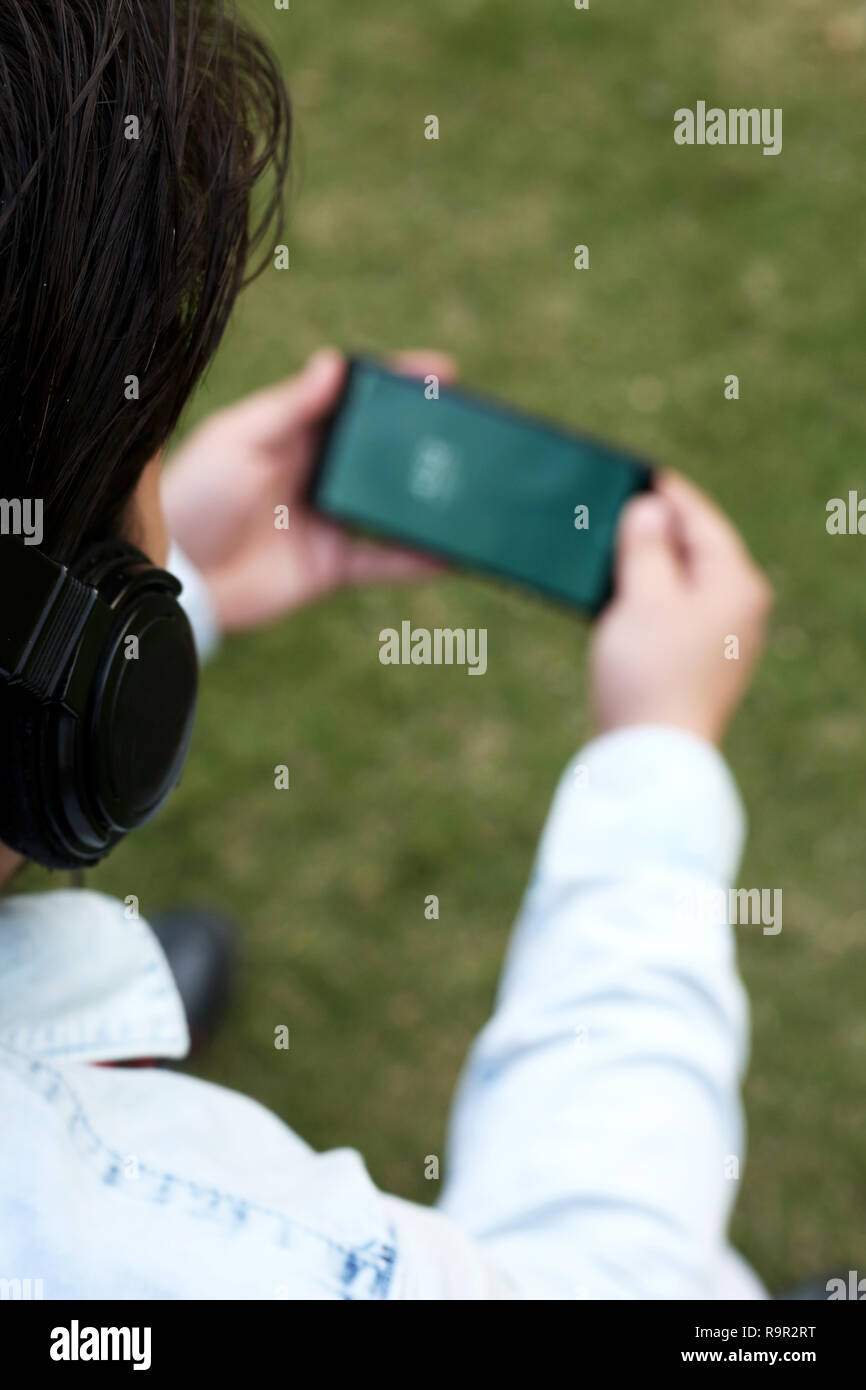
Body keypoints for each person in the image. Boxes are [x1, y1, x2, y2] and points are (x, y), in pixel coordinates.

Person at [0, 1, 773, 1299]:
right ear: (77, 645)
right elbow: (620, 1277)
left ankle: (112, 1028)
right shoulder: (132, 1237)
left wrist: (171, 582)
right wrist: (657, 762)